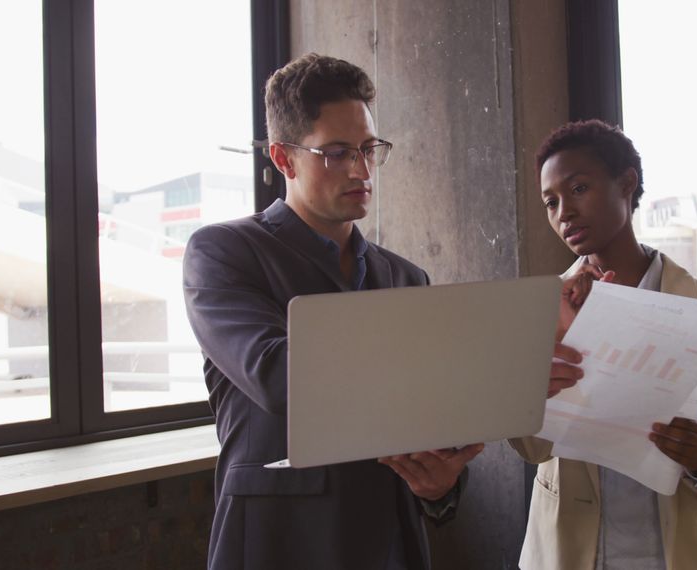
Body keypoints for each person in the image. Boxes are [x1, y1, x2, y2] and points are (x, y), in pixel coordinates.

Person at [183, 53, 482, 570]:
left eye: (369, 150)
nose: (361, 170)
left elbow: (429, 420)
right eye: (338, 152)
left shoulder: (406, 278)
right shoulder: (224, 253)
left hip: (390, 544)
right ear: (283, 159)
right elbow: (278, 377)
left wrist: (440, 485)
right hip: (279, 544)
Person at [511, 119, 697, 569]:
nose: (564, 212)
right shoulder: (543, 308)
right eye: (551, 201)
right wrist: (532, 389)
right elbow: (532, 449)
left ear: (627, 183)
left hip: (679, 553)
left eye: (579, 188)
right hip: (569, 551)